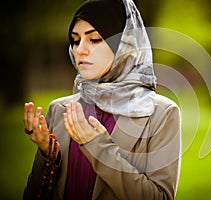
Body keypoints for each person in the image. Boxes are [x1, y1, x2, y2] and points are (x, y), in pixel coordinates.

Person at [23, 0, 181, 199]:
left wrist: (96, 145)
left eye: (95, 39)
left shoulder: (161, 114)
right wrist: (48, 153)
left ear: (125, 45)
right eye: (75, 40)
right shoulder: (59, 109)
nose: (80, 49)